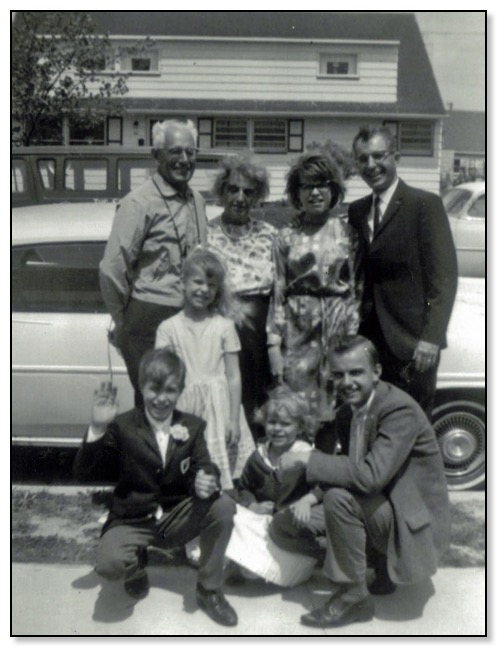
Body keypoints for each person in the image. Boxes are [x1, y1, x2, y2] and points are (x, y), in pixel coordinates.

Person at [268, 335, 450, 629]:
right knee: (284, 525)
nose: (346, 382)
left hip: (411, 526)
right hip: (379, 510)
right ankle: (373, 563)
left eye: (356, 372)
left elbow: (369, 476)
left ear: (376, 372)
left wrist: (307, 459)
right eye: (338, 374)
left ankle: (354, 596)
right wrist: (310, 497)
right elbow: (349, 469)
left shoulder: (398, 410)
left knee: (339, 499)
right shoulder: (346, 413)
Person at [73, 347, 238, 627]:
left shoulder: (193, 426)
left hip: (176, 518)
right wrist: (98, 429)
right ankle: (135, 566)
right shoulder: (123, 426)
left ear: (181, 390)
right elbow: (83, 473)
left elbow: (204, 465)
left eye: (171, 390)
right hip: (133, 519)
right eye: (154, 389)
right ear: (141, 386)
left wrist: (206, 478)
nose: (162, 399)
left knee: (223, 506)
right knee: (109, 565)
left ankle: (209, 588)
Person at [348, 125, 458, 418]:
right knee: (372, 420)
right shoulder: (356, 211)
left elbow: (443, 279)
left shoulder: (425, 205)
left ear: (395, 156)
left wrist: (431, 338)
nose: (371, 165)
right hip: (369, 342)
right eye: (362, 159)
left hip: (412, 343)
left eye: (378, 156)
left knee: (411, 422)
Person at [100, 119, 207, 407]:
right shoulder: (138, 202)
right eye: (175, 152)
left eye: (190, 152)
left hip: (188, 313)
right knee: (155, 403)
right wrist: (123, 323)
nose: (184, 160)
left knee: (187, 403)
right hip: (148, 316)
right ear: (156, 155)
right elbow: (112, 268)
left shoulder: (197, 200)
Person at [268, 148, 361, 422]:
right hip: (297, 332)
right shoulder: (285, 236)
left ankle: (329, 462)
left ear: (334, 190)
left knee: (337, 407)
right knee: (296, 408)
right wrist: (274, 344)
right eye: (307, 186)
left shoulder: (347, 233)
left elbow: (357, 288)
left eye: (322, 185)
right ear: (297, 193)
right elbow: (278, 290)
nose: (315, 193)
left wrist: (352, 336)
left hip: (338, 328)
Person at [155, 247, 255, 490]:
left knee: (224, 472)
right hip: (186, 405)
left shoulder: (224, 326)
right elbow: (163, 375)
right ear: (183, 283)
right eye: (198, 282)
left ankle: (226, 506)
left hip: (219, 406)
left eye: (211, 285)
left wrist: (233, 418)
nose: (203, 290)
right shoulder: (168, 328)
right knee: (190, 464)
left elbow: (233, 375)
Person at [208, 152, 276, 437]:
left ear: (257, 196)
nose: (240, 197)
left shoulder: (270, 234)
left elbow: (280, 293)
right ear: (221, 191)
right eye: (232, 189)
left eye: (248, 192)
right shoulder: (204, 233)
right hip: (217, 331)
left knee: (256, 407)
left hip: (258, 339)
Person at [224, 385, 320, 587]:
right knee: (230, 512)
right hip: (263, 526)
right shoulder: (259, 456)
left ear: (300, 427)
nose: (277, 429)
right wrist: (252, 506)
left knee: (259, 569)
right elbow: (244, 487)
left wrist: (306, 501)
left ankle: (265, 569)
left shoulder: (306, 455)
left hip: (289, 533)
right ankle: (247, 566)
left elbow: (323, 486)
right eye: (272, 422)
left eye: (285, 424)